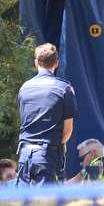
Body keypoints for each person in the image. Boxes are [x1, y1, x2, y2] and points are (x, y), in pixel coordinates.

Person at [16, 43, 76, 185]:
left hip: (24, 153)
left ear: (36, 63)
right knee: (48, 203)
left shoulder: (24, 88)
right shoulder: (64, 88)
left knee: (23, 204)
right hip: (48, 155)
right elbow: (67, 131)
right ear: (56, 63)